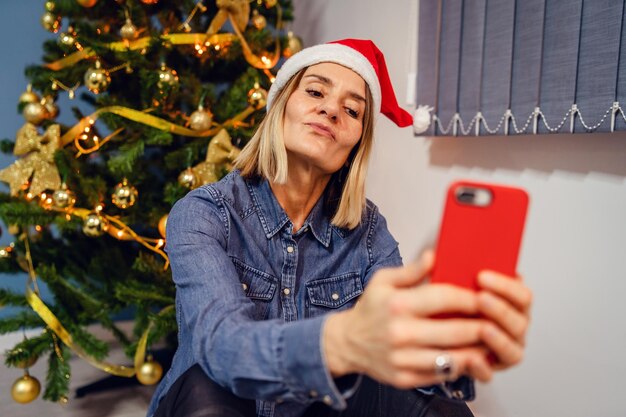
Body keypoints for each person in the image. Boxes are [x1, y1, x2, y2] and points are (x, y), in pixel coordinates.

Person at [147, 39, 532, 417]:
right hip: (212, 401)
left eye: (352, 110)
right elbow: (222, 347)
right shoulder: (204, 212)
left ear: (355, 145)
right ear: (280, 108)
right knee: (207, 386)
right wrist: (342, 342)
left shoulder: (368, 232)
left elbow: (397, 347)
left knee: (438, 405)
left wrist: (444, 347)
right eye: (315, 91)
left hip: (316, 407)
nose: (331, 110)